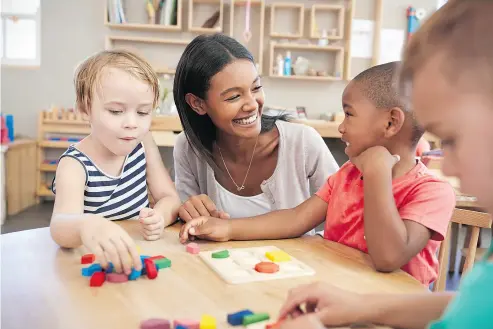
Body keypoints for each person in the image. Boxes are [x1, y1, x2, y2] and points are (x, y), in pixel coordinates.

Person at [276, 1, 493, 328]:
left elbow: (390, 257)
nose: (446, 167)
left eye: (450, 139)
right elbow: (465, 307)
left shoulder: (428, 189)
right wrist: (361, 306)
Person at [179, 61, 456, 286]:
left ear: (391, 122)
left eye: (349, 114)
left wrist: (377, 174)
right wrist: (228, 228)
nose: (342, 128)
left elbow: (388, 257)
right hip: (337, 296)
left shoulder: (432, 192)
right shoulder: (347, 175)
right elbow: (295, 218)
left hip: (392, 315)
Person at [172, 33, 339, 230]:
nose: (252, 104)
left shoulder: (302, 141)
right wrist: (186, 210)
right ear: (198, 104)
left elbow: (344, 210)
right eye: (234, 97)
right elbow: (187, 222)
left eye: (256, 88)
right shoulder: (189, 147)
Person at [50, 50, 181, 275]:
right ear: (84, 109)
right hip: (92, 264)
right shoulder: (75, 165)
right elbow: (59, 227)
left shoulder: (143, 144)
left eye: (142, 112)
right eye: (116, 111)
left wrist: (159, 216)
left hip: (138, 257)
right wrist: (86, 225)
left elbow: (170, 198)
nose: (132, 123)